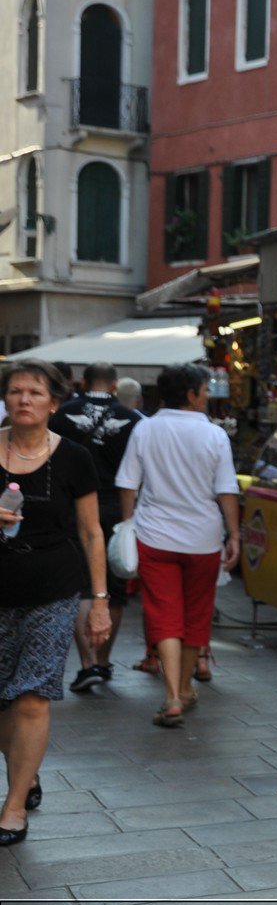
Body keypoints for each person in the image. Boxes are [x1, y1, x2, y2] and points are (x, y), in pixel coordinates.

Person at [0, 359, 110, 845]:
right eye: (16, 391)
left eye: (35, 393)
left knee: (31, 697)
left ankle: (13, 805)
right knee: (4, 700)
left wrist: (100, 600)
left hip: (54, 589)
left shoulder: (74, 457)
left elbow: (91, 532)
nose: (24, 399)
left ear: (55, 403)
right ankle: (26, 772)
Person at [115, 363, 240, 728]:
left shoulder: (146, 428)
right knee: (196, 616)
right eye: (204, 389)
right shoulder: (214, 435)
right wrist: (234, 534)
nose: (208, 395)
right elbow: (226, 490)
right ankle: (185, 690)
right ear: (190, 394)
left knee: (164, 615)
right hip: (202, 539)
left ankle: (170, 696)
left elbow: (127, 483)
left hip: (154, 536)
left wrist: (127, 526)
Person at [50, 361, 140, 692]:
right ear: (115, 386)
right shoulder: (133, 419)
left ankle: (86, 663)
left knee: (81, 586)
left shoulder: (62, 414)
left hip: (72, 507)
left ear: (84, 382)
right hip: (116, 508)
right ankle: (103, 661)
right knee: (111, 589)